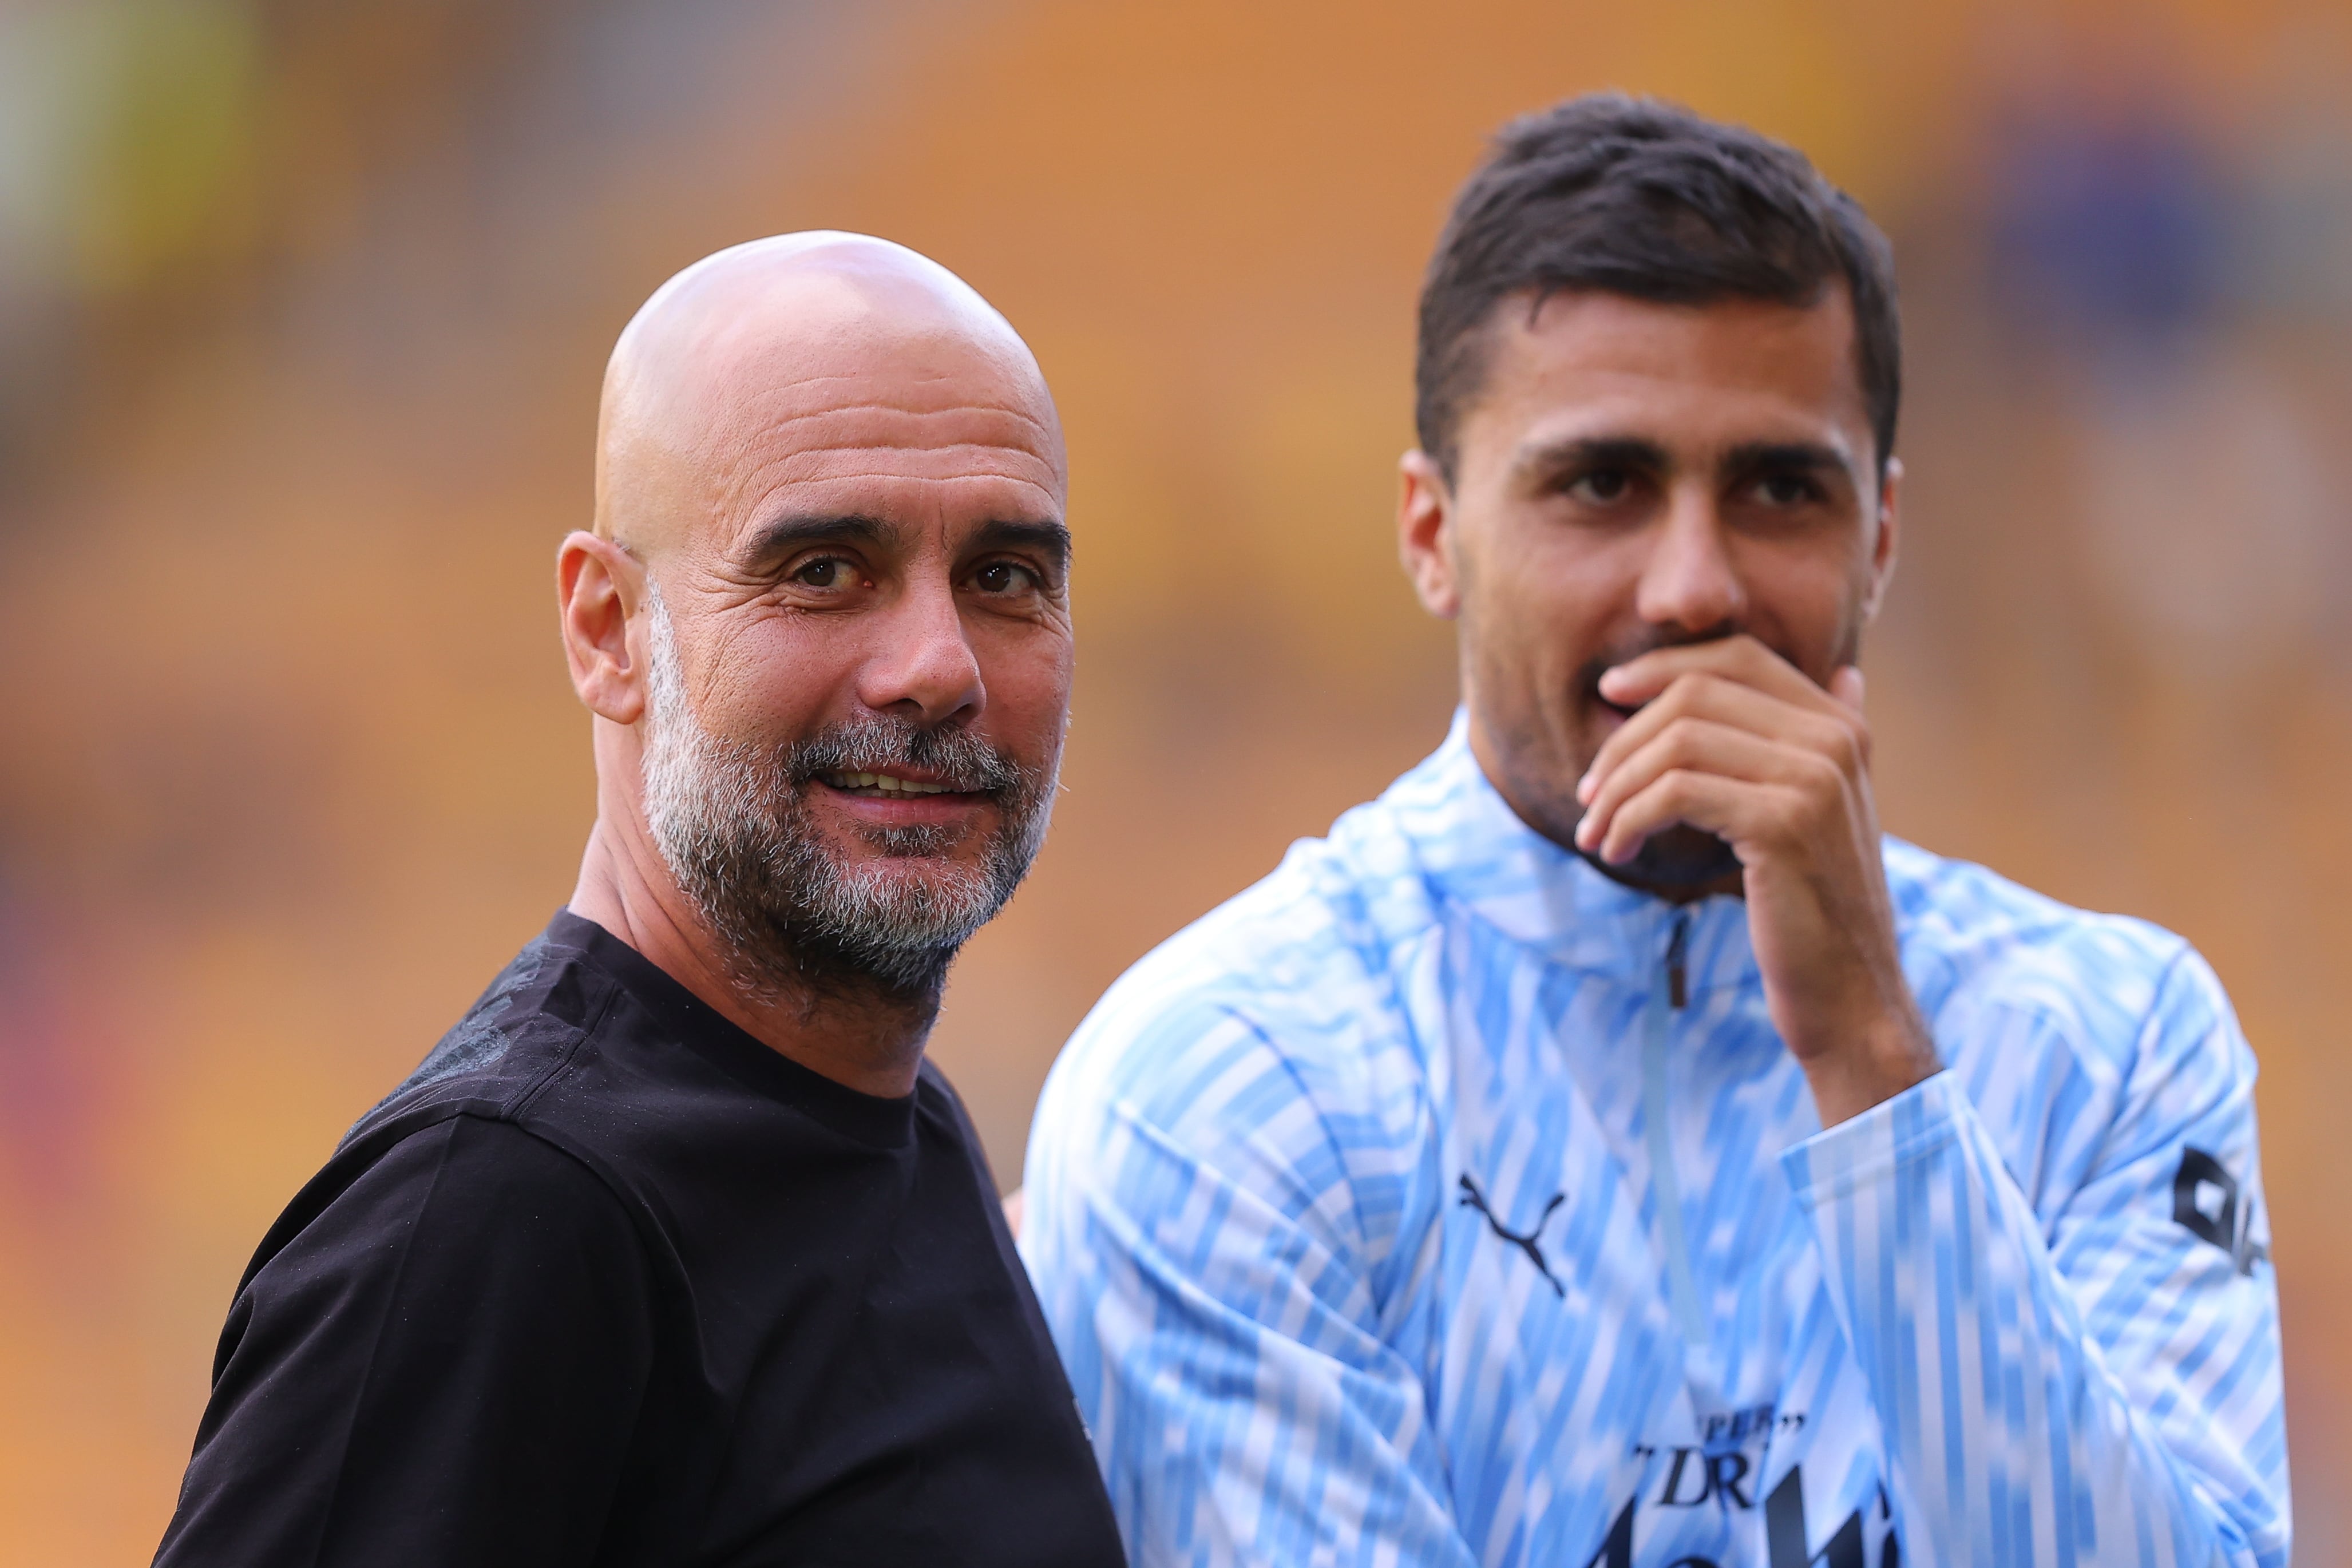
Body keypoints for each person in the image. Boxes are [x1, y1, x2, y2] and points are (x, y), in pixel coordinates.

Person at [1018, 96, 2288, 1568]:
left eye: (1778, 488)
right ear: (1433, 535)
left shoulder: (2109, 1041)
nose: (1694, 583)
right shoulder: (1233, 1079)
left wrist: (1876, 1065)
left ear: (1878, 536)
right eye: (1603, 483)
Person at [155, 233, 1126, 1567]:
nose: (936, 666)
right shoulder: (505, 1211)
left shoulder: (893, 1116)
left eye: (1005, 578)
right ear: (610, 629)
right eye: (824, 569)